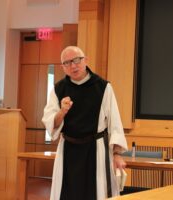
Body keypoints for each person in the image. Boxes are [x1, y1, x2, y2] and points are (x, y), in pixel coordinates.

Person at [42, 46, 128, 200]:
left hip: (96, 150)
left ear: (85, 60)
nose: (73, 66)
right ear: (63, 67)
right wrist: (62, 112)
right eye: (67, 63)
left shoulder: (103, 87)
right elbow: (50, 123)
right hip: (68, 150)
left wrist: (116, 154)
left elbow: (115, 122)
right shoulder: (58, 89)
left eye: (76, 60)